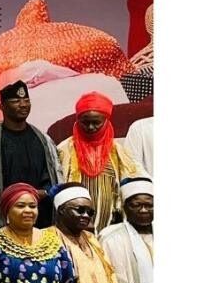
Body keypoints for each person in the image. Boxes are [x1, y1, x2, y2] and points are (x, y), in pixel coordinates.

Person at [0, 80, 61, 244]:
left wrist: (43, 193)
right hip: (2, 222)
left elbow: (55, 179)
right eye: (16, 101)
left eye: (26, 100)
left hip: (40, 221)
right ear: (2, 107)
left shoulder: (43, 140)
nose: (23, 105)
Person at [56, 92, 144, 233]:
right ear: (77, 120)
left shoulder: (118, 151)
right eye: (85, 122)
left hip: (109, 225)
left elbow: (132, 185)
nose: (91, 127)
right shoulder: (63, 150)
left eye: (96, 122)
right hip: (72, 225)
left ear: (106, 121)